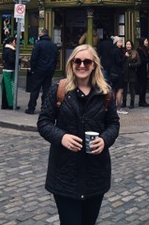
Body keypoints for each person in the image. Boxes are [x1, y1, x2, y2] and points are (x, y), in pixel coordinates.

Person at [38, 44, 120, 225]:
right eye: (77, 61)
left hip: (95, 173)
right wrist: (62, 137)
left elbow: (113, 124)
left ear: (94, 65)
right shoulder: (59, 90)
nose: (82, 65)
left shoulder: (106, 93)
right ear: (71, 63)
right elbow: (43, 122)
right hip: (65, 173)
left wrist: (104, 140)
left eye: (87, 61)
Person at [25, 29, 58, 115]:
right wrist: (53, 68)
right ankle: (45, 108)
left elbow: (34, 58)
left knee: (35, 89)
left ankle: (31, 108)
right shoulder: (53, 45)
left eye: (40, 33)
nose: (39, 34)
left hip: (39, 70)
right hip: (49, 70)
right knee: (46, 89)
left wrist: (33, 69)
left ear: (42, 34)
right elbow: (55, 59)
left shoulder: (38, 44)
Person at [109, 37, 127, 114]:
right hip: (118, 72)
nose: (121, 43)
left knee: (113, 90)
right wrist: (125, 56)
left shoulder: (112, 51)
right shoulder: (117, 51)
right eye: (119, 42)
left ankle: (112, 107)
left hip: (112, 72)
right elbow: (119, 61)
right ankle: (119, 108)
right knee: (120, 90)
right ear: (116, 43)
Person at [1, 36, 18, 110]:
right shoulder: (10, 51)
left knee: (5, 87)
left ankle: (5, 104)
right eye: (14, 42)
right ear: (11, 42)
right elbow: (12, 61)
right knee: (10, 87)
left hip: (5, 69)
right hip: (10, 70)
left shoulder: (5, 49)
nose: (15, 43)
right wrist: (18, 61)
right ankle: (11, 103)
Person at [123, 39, 141, 109]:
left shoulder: (135, 52)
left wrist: (132, 65)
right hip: (124, 72)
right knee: (124, 88)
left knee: (132, 88)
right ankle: (124, 102)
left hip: (132, 72)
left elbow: (139, 62)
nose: (128, 46)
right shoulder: (123, 52)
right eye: (127, 44)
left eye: (129, 44)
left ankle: (132, 102)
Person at [136, 37, 149, 107]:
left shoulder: (145, 49)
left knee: (144, 86)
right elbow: (142, 60)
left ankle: (143, 100)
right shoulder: (139, 50)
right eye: (146, 41)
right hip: (141, 71)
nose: (147, 42)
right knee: (142, 85)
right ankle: (141, 100)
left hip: (145, 70)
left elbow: (147, 58)